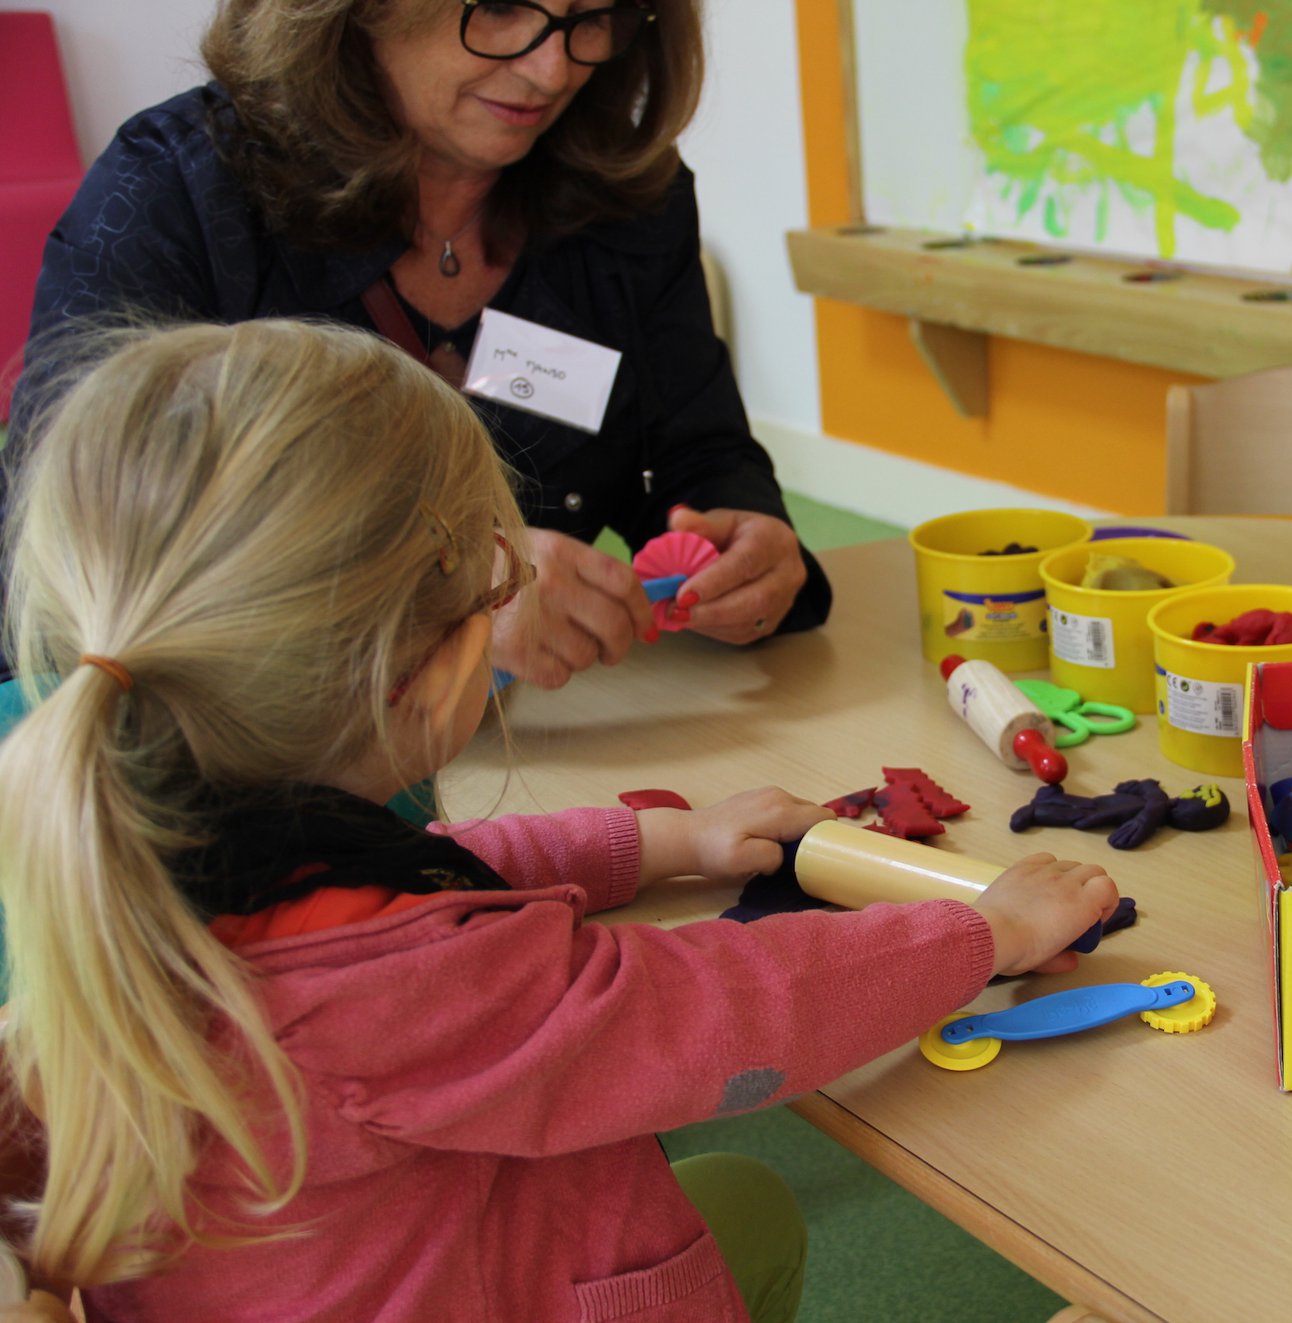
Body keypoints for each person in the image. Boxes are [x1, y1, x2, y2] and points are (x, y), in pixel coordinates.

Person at [0, 320, 1119, 1321]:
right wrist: (984, 934)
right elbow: (717, 1017)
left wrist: (658, 842)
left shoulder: (130, 854)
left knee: (743, 1206)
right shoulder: (395, 995)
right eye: (495, 583)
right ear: (420, 675)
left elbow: (431, 882)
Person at [12, 0, 828, 690]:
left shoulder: (626, 199)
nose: (553, 71)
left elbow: (695, 450)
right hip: (252, 772)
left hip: (543, 749)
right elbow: (63, 557)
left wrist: (748, 540)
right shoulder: (176, 193)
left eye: (593, 16)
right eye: (502, 6)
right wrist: (432, 591)